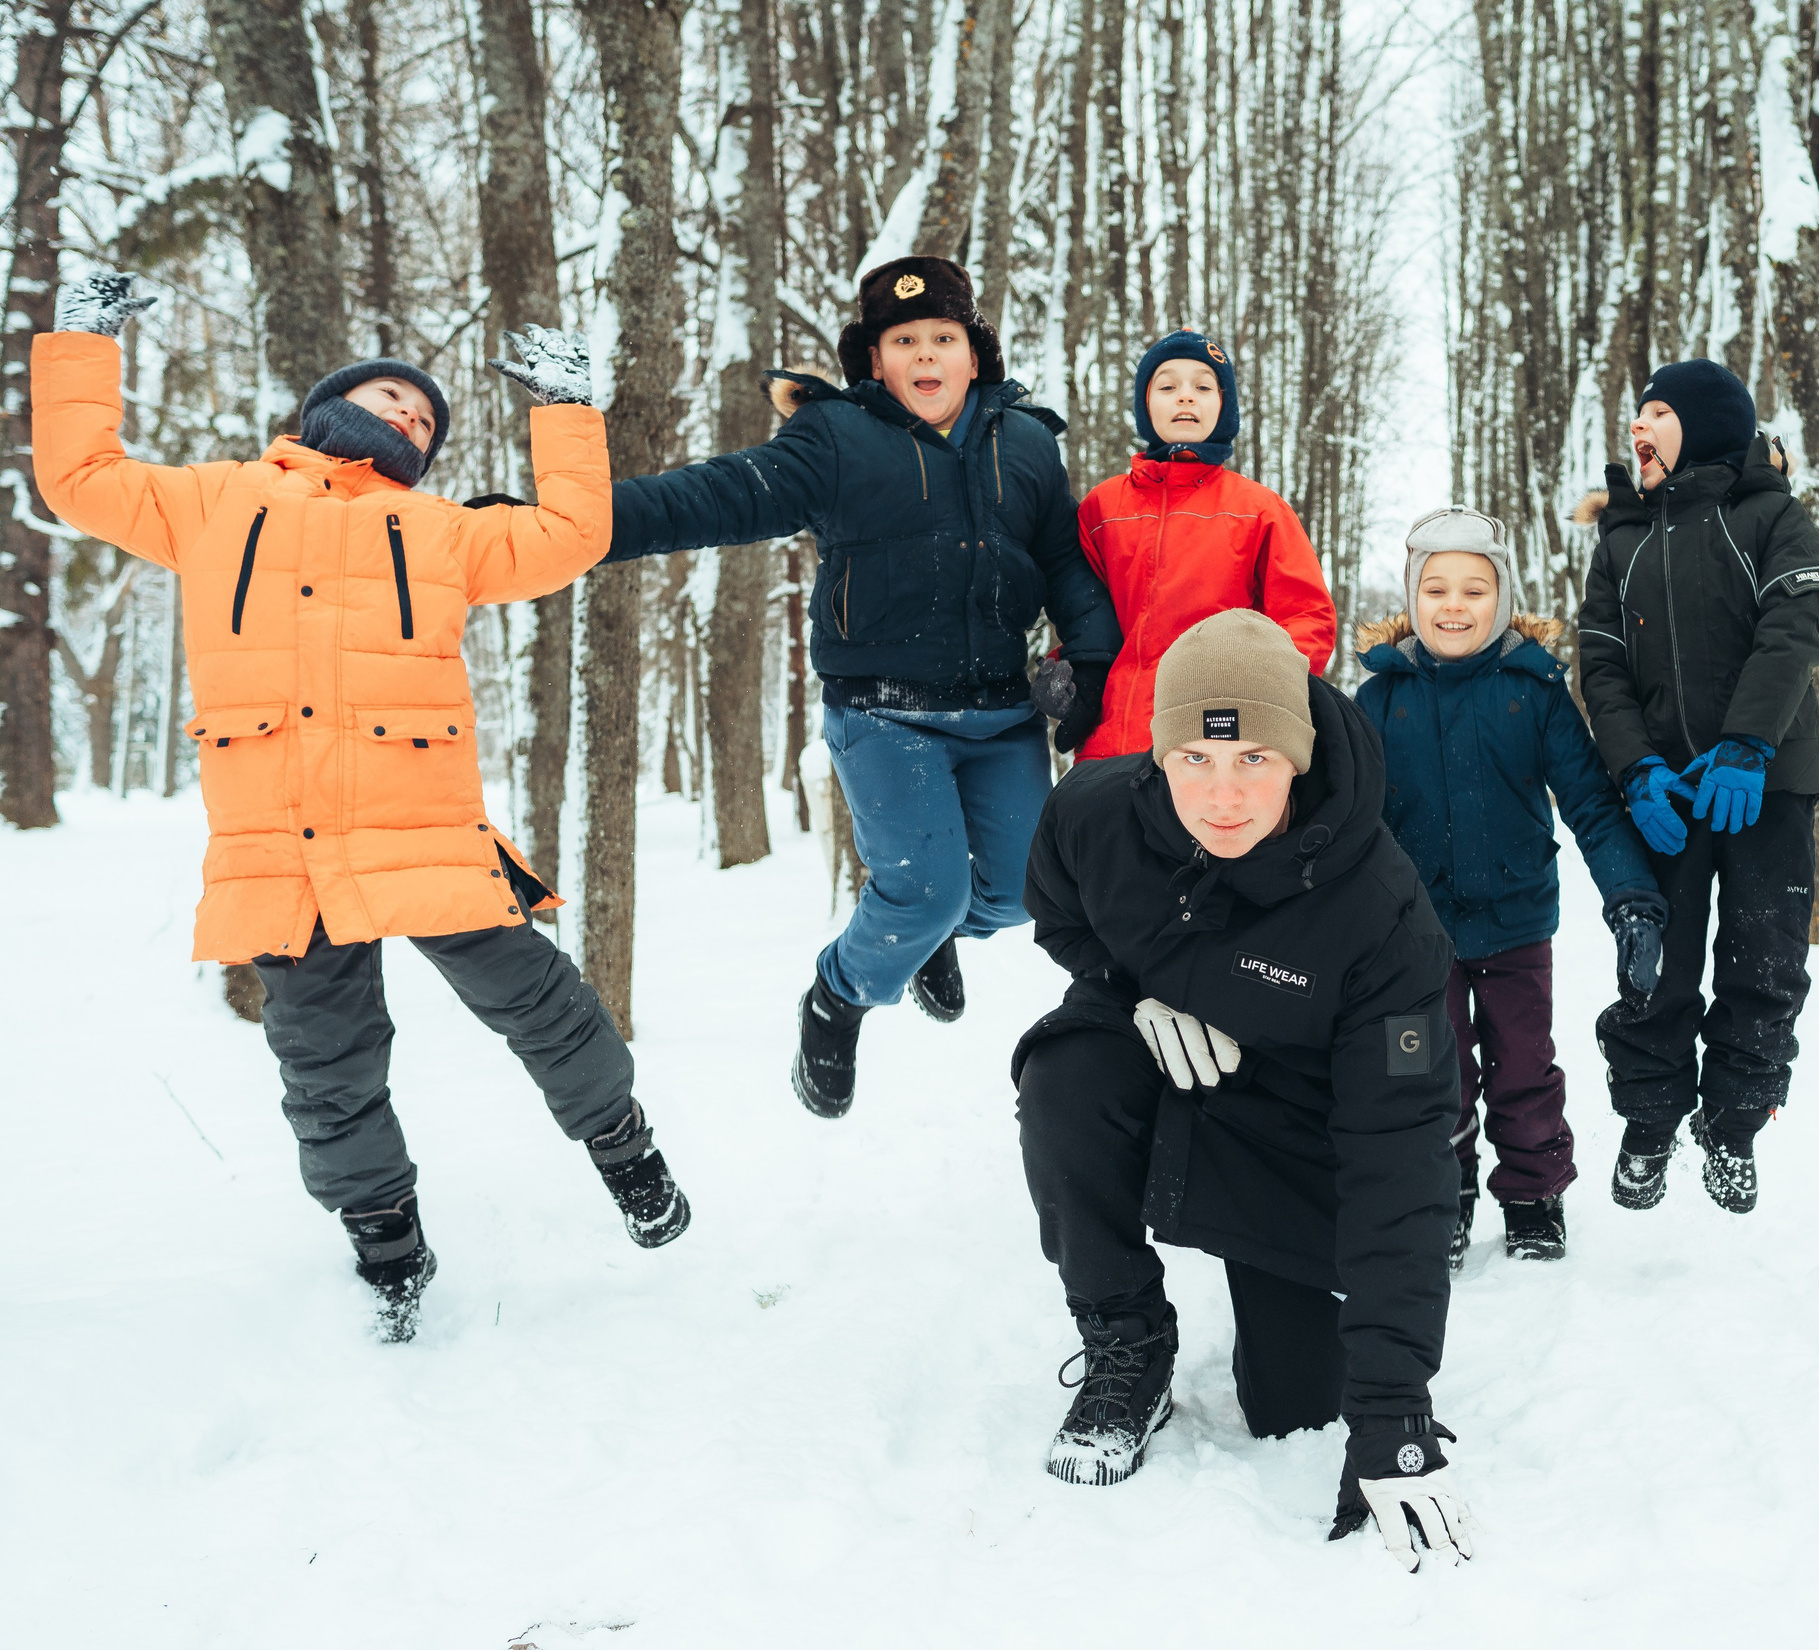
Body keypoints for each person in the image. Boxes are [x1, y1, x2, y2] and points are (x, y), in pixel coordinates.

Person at [33, 274, 689, 1342]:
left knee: (545, 1006)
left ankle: (630, 1156)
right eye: (394, 399)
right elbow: (78, 475)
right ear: (329, 405)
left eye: (425, 418)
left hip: (422, 826)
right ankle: (386, 1239)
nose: (409, 417)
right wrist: (82, 337)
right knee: (324, 1061)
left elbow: (570, 535)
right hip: (279, 843)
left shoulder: (439, 531)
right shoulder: (212, 502)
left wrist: (565, 409)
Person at [601, 257, 1122, 1118]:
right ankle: (837, 996)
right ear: (874, 360)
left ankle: (927, 942)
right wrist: (586, 524)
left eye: (944, 338)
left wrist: (1094, 659)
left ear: (974, 353)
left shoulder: (1026, 441)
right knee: (923, 890)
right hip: (884, 708)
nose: (926, 354)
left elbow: (1062, 557)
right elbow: (722, 495)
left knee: (1018, 894)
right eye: (904, 339)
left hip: (1002, 709)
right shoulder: (837, 438)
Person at [1014, 609, 1474, 1571]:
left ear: (1300, 758)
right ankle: (1125, 1343)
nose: (1223, 796)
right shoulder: (1092, 814)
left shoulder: (1382, 915)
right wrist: (1128, 993)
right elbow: (1061, 916)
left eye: (1256, 759)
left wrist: (1393, 1405)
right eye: (1197, 760)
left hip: (1293, 1127)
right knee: (1067, 1070)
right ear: (1161, 754)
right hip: (1155, 1062)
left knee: (1301, 1409)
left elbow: (1403, 1152)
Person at [1353, 506, 1665, 1266]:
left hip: (1516, 924)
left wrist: (1631, 901)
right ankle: (1441, 1192)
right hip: (1410, 940)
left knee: (1523, 1065)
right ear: (1411, 600)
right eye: (1436, 589)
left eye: (1474, 589)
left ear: (1502, 600)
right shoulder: (1378, 701)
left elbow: (1591, 803)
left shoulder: (1535, 691)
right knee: (1422, 1068)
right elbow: (1343, 823)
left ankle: (1532, 1195)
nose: (1454, 605)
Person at [1574, 358, 1819, 1215]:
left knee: (1765, 959)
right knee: (1657, 962)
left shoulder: (1771, 516)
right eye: (1636, 414)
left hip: (1766, 783)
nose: (1638, 427)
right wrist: (1635, 767)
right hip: (1667, 794)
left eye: (1657, 411)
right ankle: (1650, 1119)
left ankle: (1733, 1122)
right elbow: (1601, 668)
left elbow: (1793, 630)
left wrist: (1747, 745)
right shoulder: (1620, 537)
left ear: (1708, 422)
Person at [1061, 329, 1335, 760]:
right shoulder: (1102, 508)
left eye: (1203, 386)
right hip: (1109, 742)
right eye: (1168, 386)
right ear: (1145, 404)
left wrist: (1253, 697)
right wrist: (1069, 669)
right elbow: (1081, 610)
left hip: (1213, 745)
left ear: (1224, 406)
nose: (1185, 397)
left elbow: (1306, 620)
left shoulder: (1258, 510)